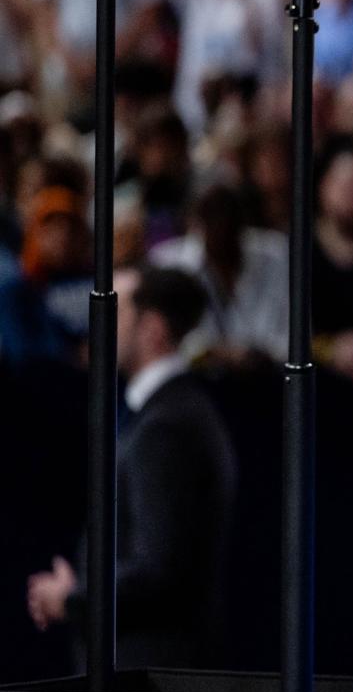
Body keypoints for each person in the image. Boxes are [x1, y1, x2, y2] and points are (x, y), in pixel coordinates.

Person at [25, 265, 236, 668]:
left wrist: (72, 598)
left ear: (151, 328)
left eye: (113, 312)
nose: (98, 327)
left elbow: (160, 569)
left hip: (147, 680)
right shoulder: (166, 413)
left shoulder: (167, 426)